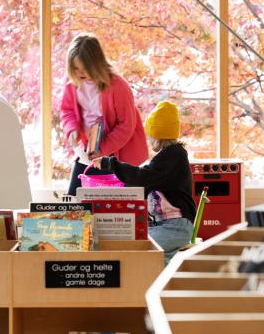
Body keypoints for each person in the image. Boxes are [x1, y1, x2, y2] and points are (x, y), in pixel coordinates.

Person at [92, 100, 196, 262]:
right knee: (154, 257)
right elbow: (144, 184)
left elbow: (142, 177)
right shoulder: (167, 158)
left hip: (175, 226)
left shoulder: (174, 156)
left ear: (157, 136)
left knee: (140, 250)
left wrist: (110, 164)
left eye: (150, 136)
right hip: (166, 225)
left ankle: (159, 284)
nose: (148, 139)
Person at [60, 34, 147, 196]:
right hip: (88, 154)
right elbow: (67, 111)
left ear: (96, 64)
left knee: (115, 209)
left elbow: (126, 125)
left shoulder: (117, 86)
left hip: (117, 157)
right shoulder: (72, 86)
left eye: (85, 68)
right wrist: (72, 129)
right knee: (72, 204)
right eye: (75, 68)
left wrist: (104, 149)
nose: (80, 73)